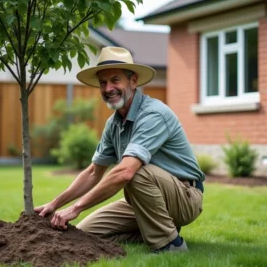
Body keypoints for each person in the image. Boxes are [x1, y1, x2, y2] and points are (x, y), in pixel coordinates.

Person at [35, 46, 205, 253]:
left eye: (115, 80)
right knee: (84, 232)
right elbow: (93, 172)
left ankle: (171, 245)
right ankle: (157, 227)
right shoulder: (114, 123)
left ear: (133, 81)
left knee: (134, 170)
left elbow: (125, 172)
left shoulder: (153, 114)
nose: (108, 89)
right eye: (103, 83)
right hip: (144, 200)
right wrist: (55, 204)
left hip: (184, 197)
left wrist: (75, 208)